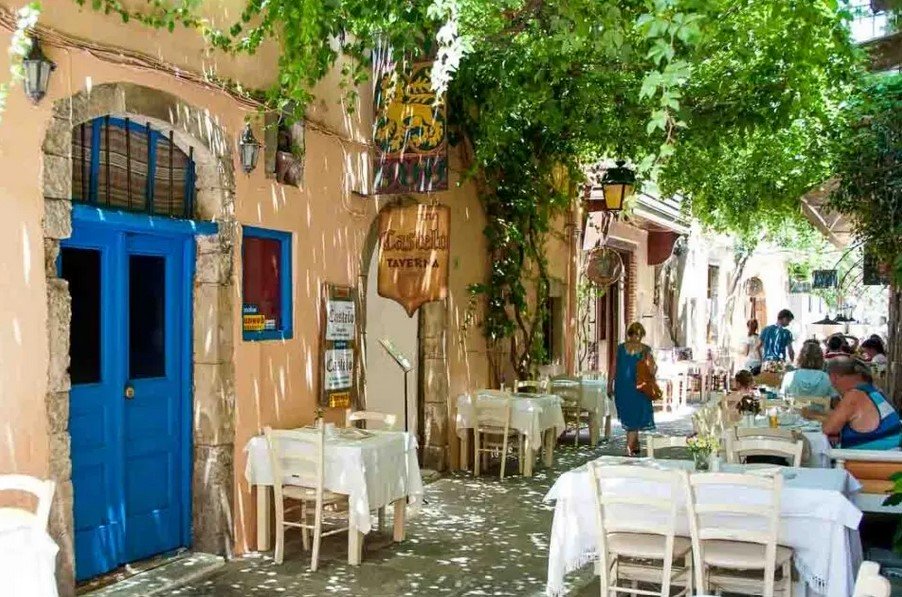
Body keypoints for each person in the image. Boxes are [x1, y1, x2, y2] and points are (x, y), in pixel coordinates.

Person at [801, 359, 902, 450]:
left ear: (834, 377)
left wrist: (812, 415)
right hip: (892, 457)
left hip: (872, 462)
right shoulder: (875, 391)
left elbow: (829, 429)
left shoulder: (853, 396)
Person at [608, 322, 656, 456]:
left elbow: (613, 368)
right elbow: (652, 370)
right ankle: (629, 450)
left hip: (622, 387)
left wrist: (609, 385)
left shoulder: (620, 349)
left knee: (630, 417)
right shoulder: (646, 349)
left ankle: (634, 446)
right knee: (635, 418)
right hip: (638, 388)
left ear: (629, 334)